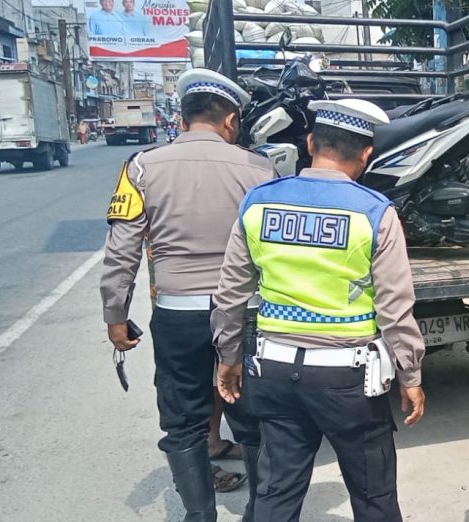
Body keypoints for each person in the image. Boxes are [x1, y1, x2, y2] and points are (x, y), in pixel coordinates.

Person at [211, 98, 426, 522]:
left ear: (310, 143)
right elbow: (395, 308)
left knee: (275, 494)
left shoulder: (259, 203)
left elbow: (229, 294)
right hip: (348, 380)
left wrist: (228, 356)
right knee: (374, 496)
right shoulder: (375, 213)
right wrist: (411, 375)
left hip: (272, 371)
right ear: (367, 154)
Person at [100, 69, 270, 521]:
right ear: (231, 120)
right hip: (247, 313)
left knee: (183, 418)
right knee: (254, 418)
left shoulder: (141, 166)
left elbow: (122, 250)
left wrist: (115, 313)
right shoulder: (259, 169)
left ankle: (200, 514)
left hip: (178, 316)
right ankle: (260, 511)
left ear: (183, 117)